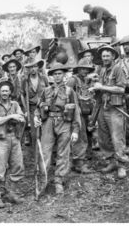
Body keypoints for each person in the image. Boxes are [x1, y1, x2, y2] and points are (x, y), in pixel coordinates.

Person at [34, 63, 81, 195]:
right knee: (45, 152)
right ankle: (43, 182)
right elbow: (38, 107)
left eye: (60, 73)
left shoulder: (69, 91)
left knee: (63, 153)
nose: (57, 76)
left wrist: (76, 130)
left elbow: (76, 111)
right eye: (55, 74)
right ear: (52, 76)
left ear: (64, 75)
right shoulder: (46, 91)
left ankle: (59, 181)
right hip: (48, 122)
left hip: (64, 123)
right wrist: (36, 117)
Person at [89, 45, 129, 178]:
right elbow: (100, 87)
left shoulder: (118, 69)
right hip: (103, 107)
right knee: (103, 138)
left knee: (117, 138)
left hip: (115, 108)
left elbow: (122, 89)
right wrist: (95, 88)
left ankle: (121, 165)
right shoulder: (102, 70)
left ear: (113, 56)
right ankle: (112, 162)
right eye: (103, 56)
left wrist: (102, 87)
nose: (105, 58)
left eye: (107, 56)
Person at [0, 80, 26, 208]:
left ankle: (12, 193)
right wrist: (10, 117)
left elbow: (21, 117)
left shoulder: (15, 104)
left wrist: (18, 117)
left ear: (10, 92)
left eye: (7, 90)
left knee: (17, 166)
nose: (5, 93)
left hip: (14, 138)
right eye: (2, 91)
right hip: (0, 139)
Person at [67, 58, 97, 173]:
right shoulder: (72, 80)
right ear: (78, 69)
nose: (85, 71)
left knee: (87, 135)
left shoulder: (87, 80)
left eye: (87, 69)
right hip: (77, 113)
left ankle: (83, 157)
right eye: (83, 68)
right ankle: (78, 163)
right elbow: (66, 96)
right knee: (80, 137)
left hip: (87, 112)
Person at [21, 59, 49, 152]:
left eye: (35, 66)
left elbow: (49, 91)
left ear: (38, 67)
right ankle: (36, 153)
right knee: (34, 133)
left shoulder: (43, 78)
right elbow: (22, 95)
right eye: (31, 67)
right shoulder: (25, 80)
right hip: (32, 109)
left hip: (44, 108)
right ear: (28, 69)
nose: (33, 69)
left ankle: (46, 153)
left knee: (46, 131)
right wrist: (25, 110)